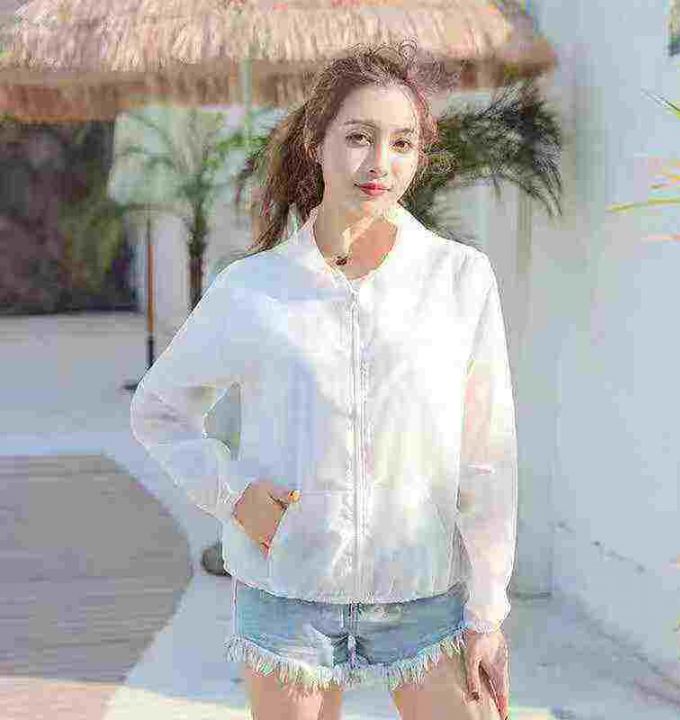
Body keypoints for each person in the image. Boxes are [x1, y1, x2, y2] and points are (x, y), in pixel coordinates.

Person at [130, 40, 517, 720]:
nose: (381, 163)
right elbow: (159, 409)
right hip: (289, 595)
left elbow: (488, 455)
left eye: (402, 143)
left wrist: (487, 611)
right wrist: (233, 494)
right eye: (359, 137)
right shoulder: (254, 288)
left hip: (422, 595)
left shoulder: (460, 279)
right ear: (316, 142)